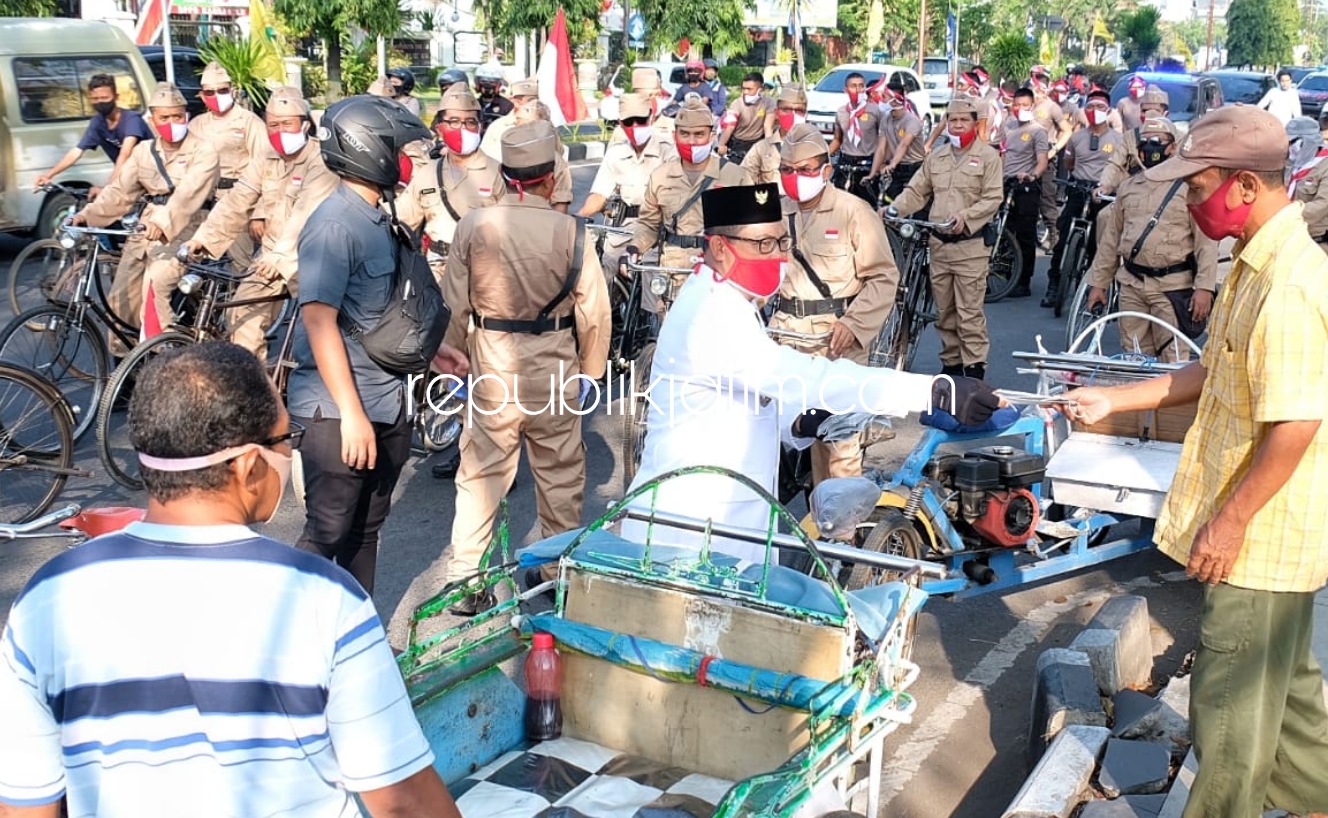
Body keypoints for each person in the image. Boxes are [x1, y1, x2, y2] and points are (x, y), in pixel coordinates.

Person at [0, 341, 462, 818]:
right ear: (248, 465)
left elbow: (26, 805)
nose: (290, 454)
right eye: (288, 439)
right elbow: (402, 802)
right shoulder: (326, 598)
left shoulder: (46, 598)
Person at [1064, 105, 1328, 818]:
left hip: (1262, 542)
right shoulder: (1257, 260)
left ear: (1245, 185)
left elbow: (1298, 421)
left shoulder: (1290, 287)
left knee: (1229, 715)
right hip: (1270, 541)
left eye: (1198, 184)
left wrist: (1229, 524)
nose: (1186, 198)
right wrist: (1112, 401)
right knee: (1294, 701)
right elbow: (1210, 372)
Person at [625, 183, 1000, 562]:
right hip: (690, 534)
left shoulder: (733, 301)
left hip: (723, 524)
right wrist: (930, 391)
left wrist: (799, 423)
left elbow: (741, 398)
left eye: (781, 242)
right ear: (721, 247)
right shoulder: (709, 313)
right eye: (763, 244)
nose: (778, 257)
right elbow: (802, 376)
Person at [288, 95, 466, 595]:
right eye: (397, 148)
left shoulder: (377, 216)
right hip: (339, 412)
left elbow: (380, 312)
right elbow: (320, 321)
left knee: (366, 533)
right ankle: (282, 647)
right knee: (327, 531)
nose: (405, 160)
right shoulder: (333, 225)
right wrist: (351, 414)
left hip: (387, 402)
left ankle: (354, 641)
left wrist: (435, 354)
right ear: (369, 149)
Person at [443, 120, 610, 614]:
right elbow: (595, 311)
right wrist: (591, 372)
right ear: (550, 176)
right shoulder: (572, 231)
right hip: (555, 365)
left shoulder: (474, 224)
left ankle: (467, 581)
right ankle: (554, 574)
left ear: (507, 174)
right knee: (560, 474)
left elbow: (454, 304)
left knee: (480, 475)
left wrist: (452, 359)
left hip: (493, 361)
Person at [773, 124, 900, 482]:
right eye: (787, 170)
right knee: (783, 438)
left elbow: (883, 277)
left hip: (835, 342)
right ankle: (811, 522)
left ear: (826, 171)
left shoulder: (853, 212)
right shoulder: (774, 211)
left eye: (807, 170)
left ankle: (841, 536)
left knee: (838, 451)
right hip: (785, 338)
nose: (796, 178)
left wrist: (854, 325)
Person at [183, 86, 338, 359]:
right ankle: (258, 390)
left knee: (316, 334)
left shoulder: (320, 159)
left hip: (314, 258)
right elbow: (238, 198)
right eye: (273, 125)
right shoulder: (266, 156)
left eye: (286, 124)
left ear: (304, 125)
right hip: (270, 255)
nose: (279, 132)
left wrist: (279, 257)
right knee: (240, 316)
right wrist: (203, 239)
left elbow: (304, 213)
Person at [70, 82, 219, 339]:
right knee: (121, 297)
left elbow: (186, 196)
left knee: (155, 287)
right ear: (152, 119)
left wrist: (161, 224)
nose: (171, 122)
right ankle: (124, 369)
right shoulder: (143, 152)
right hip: (144, 227)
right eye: (164, 117)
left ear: (187, 116)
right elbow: (120, 192)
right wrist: (87, 215)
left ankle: (164, 357)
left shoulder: (204, 151)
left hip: (188, 227)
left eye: (177, 116)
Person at [1083, 117, 1217, 362]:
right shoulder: (1129, 187)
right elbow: (1111, 241)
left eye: (1157, 141)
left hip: (1171, 288)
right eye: (1144, 141)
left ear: (1173, 147)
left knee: (1173, 359)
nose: (1150, 146)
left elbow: (1206, 243)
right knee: (1134, 357)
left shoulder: (1190, 189)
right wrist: (1099, 284)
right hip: (1132, 285)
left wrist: (1204, 288)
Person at [889, 97, 1003, 379]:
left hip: (971, 248)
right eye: (952, 120)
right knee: (945, 314)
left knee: (969, 315)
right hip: (939, 246)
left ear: (975, 124)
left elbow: (992, 198)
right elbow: (917, 191)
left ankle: (974, 372)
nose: (957, 125)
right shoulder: (936, 157)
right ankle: (951, 369)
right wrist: (894, 208)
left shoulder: (988, 157)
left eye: (963, 120)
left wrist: (965, 217)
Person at [629, 99, 750, 306]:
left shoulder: (735, 176)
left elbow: (750, 232)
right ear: (675, 135)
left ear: (712, 136)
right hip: (672, 275)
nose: (691, 141)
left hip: (718, 274)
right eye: (684, 134)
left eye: (699, 134)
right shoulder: (661, 176)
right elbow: (649, 224)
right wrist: (633, 249)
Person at [398, 85, 503, 284]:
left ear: (480, 127)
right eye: (453, 122)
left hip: (482, 269)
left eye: (470, 122)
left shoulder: (497, 172)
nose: (462, 128)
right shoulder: (427, 172)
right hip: (436, 269)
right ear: (440, 128)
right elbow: (404, 220)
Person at [186, 62, 270, 274]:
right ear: (202, 95)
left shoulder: (249, 122)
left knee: (241, 265)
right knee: (192, 263)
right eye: (210, 92)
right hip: (202, 203)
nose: (216, 95)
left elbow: (267, 169)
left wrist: (259, 213)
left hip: (236, 202)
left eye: (222, 90)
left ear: (232, 90)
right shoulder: (196, 125)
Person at [580, 92, 677, 273]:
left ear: (651, 117)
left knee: (651, 285)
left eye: (640, 120)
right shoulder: (616, 153)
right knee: (603, 272)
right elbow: (599, 194)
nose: (634, 126)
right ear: (620, 122)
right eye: (628, 121)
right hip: (625, 226)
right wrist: (576, 220)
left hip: (658, 227)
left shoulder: (667, 151)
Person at [1044, 89, 1123, 307]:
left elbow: (1124, 168)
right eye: (1090, 107)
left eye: (1099, 107)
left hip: (1104, 197)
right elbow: (1069, 163)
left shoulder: (1119, 139)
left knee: (1103, 244)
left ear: (1109, 111)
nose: (1094, 111)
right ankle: (1054, 287)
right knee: (1062, 239)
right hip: (1078, 191)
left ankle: (1102, 289)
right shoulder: (1077, 138)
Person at [35, 73, 153, 190]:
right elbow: (77, 151)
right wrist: (49, 175)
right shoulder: (98, 122)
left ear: (116, 97)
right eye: (95, 99)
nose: (100, 102)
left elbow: (125, 154)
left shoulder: (131, 120)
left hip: (152, 176)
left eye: (105, 98)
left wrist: (108, 188)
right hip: (130, 178)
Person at [998, 88, 1050, 300]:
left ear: (1032, 106)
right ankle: (1006, 275)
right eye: (1016, 105)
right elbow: (1002, 153)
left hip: (1026, 186)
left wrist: (1032, 176)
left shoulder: (1038, 131)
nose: (1020, 109)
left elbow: (1042, 161)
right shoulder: (1007, 125)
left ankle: (1023, 280)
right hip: (1006, 183)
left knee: (1025, 234)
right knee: (1003, 230)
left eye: (1024, 105)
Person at [1100, 85, 1170, 194]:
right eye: (1144, 110)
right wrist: (1105, 185)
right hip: (1132, 192)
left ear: (1165, 114)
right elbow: (1115, 163)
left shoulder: (1177, 138)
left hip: (1163, 194)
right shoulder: (1129, 137)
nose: (1149, 114)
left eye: (1155, 111)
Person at [1031, 76, 1073, 255]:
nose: (1035, 92)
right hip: (1027, 153)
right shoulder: (1027, 105)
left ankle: (1054, 236)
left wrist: (1055, 149)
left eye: (1037, 89)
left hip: (1046, 153)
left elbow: (1067, 130)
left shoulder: (1052, 107)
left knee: (1046, 197)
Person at [827, 72, 883, 204]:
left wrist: (882, 162)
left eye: (861, 86)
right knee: (839, 202)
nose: (857, 90)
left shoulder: (876, 111)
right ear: (846, 90)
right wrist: (824, 156)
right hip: (846, 161)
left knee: (867, 204)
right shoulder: (841, 112)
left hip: (867, 163)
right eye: (853, 86)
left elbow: (884, 142)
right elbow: (837, 139)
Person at [512, 101, 575, 213]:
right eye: (516, 121)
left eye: (520, 121)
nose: (515, 125)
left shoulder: (555, 162)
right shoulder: (508, 153)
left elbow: (560, 206)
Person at [868, 83, 927, 202]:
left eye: (884, 97)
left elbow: (904, 145)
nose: (881, 100)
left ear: (894, 102)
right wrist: (873, 173)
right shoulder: (886, 118)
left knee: (913, 204)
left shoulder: (912, 121)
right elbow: (881, 148)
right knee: (889, 201)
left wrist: (892, 164)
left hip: (914, 167)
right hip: (897, 168)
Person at [742, 84, 807, 184]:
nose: (792, 115)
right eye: (786, 110)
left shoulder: (816, 148)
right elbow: (743, 181)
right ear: (777, 113)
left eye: (799, 111)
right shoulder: (761, 149)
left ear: (806, 115)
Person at [1286, 115, 1328, 252]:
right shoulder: (1291, 163)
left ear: (1307, 142)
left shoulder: (1324, 166)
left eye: (1292, 142)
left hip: (1315, 243)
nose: (1289, 147)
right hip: (1287, 236)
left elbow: (1322, 205)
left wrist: (1284, 215)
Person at [718, 72, 774, 163]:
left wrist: (769, 149)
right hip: (737, 145)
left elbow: (768, 127)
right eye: (744, 89)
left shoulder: (769, 103)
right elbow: (730, 126)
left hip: (757, 143)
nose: (745, 92)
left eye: (749, 89)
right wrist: (721, 145)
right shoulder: (737, 104)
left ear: (761, 89)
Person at [479, 77, 539, 161]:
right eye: (529, 100)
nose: (533, 104)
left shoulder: (546, 125)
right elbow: (485, 157)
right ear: (514, 101)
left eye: (535, 99)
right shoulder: (498, 126)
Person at [475, 65, 513, 134]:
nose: (487, 87)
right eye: (483, 81)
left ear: (499, 85)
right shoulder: (472, 104)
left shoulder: (506, 106)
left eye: (492, 82)